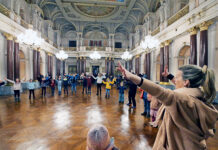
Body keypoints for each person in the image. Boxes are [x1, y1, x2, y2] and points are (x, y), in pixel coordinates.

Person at [117, 62, 218, 150]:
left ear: (186, 82)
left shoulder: (182, 100)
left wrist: (132, 76)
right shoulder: (197, 98)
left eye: (177, 77)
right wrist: (170, 76)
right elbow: (183, 88)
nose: (175, 79)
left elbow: (160, 91)